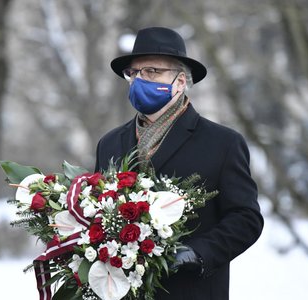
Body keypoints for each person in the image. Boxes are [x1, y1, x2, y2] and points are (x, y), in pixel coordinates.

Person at [94, 27, 264, 300]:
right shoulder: (110, 143)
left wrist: (198, 253)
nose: (140, 80)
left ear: (181, 81)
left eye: (152, 71)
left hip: (191, 290)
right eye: (134, 73)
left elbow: (246, 219)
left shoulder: (223, 143)